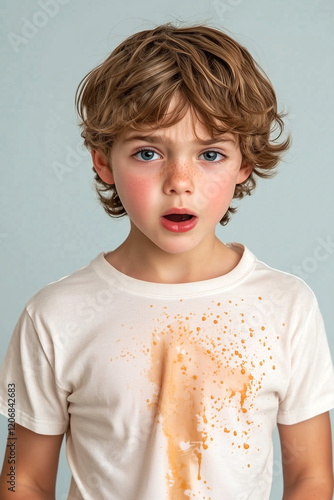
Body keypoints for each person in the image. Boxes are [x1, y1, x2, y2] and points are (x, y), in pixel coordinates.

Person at [0, 23, 333, 500]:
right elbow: (19, 476)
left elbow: (312, 477)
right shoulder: (51, 316)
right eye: (148, 152)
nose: (180, 181)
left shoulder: (287, 307)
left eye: (211, 153)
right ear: (102, 161)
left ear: (244, 164)